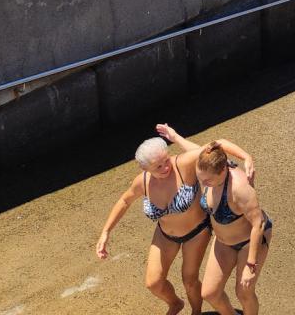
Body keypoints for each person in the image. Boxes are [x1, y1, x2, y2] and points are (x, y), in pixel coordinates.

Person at [96, 130, 255, 315]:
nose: (165, 167)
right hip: (165, 234)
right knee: (153, 283)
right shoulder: (142, 182)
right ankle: (175, 304)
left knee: (189, 280)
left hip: (196, 232)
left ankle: (196, 312)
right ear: (144, 168)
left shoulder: (183, 164)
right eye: (158, 167)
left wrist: (246, 157)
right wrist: (106, 232)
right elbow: (124, 201)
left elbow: (216, 144)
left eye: (166, 160)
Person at [195, 141, 275, 315]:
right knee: (209, 293)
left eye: (207, 180)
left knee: (244, 292)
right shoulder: (208, 161)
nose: (203, 182)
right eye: (200, 178)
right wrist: (173, 135)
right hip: (224, 241)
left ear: (223, 170)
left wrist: (250, 265)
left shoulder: (240, 188)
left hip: (249, 242)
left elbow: (258, 224)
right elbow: (219, 142)